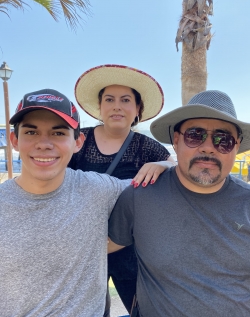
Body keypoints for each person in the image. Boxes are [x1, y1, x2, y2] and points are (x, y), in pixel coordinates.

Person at [0, 88, 164, 317]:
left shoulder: (95, 188)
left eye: (58, 133)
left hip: (120, 254)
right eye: (32, 132)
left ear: (78, 141)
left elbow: (171, 184)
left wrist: (166, 167)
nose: (44, 143)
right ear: (14, 140)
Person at [108, 90, 250, 317]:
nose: (208, 147)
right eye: (195, 135)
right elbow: (93, 250)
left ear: (236, 146)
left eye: (223, 140)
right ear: (176, 140)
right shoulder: (140, 197)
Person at [68, 64, 176, 315]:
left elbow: (176, 172)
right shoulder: (78, 139)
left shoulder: (146, 146)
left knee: (140, 309)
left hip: (129, 251)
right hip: (82, 250)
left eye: (125, 100)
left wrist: (161, 164)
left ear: (138, 109)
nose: (117, 106)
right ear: (100, 106)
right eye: (110, 99)